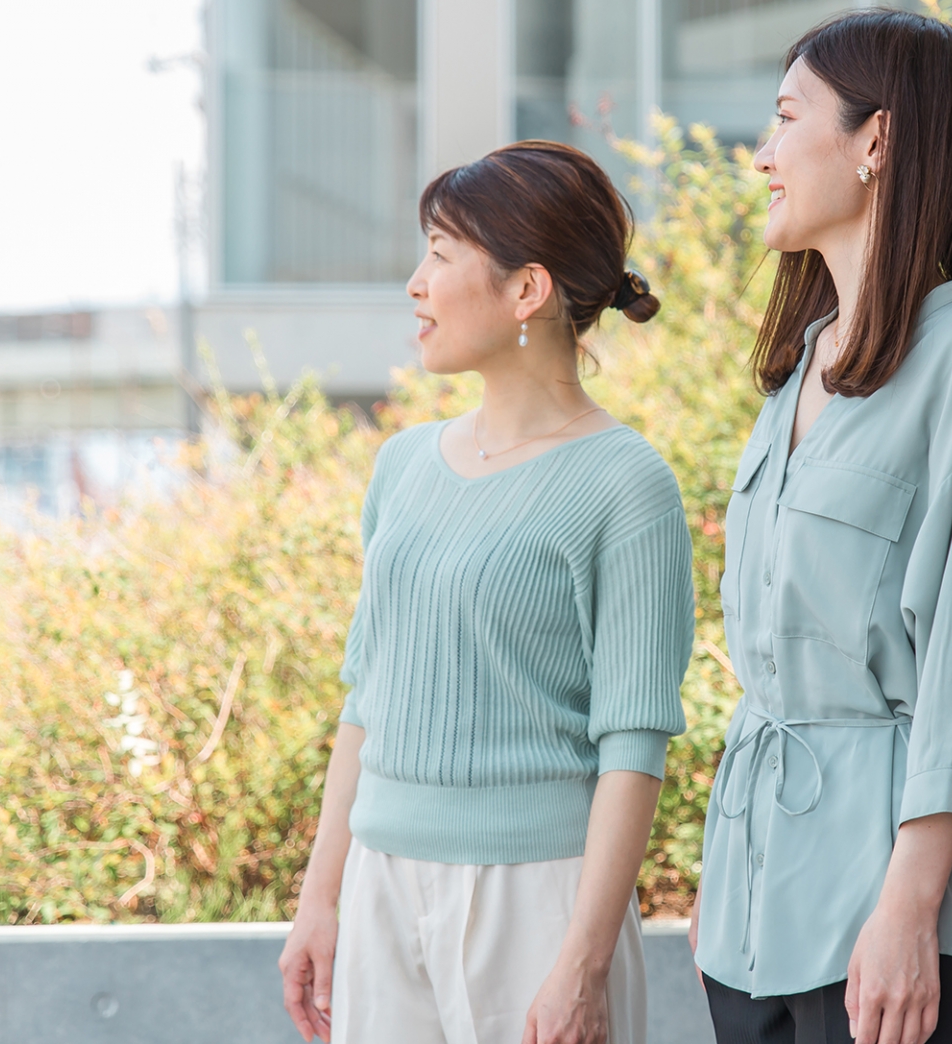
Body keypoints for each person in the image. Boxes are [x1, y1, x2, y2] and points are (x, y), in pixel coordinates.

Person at [276, 140, 696, 1044]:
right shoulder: (402, 466)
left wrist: (583, 962)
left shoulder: (627, 484)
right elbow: (368, 699)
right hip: (382, 884)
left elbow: (634, 740)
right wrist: (320, 898)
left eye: (441, 253)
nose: (415, 284)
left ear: (526, 291)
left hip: (537, 899)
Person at [690, 8, 952, 1044]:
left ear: (876, 141)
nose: (762, 155)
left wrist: (908, 908)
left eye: (786, 117)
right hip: (754, 915)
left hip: (896, 919)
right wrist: (731, 879)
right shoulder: (802, 361)